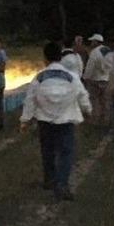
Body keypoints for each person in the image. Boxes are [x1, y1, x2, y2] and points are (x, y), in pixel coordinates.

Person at [20, 42, 92, 202]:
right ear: (60, 57)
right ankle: (62, 184)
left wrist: (25, 120)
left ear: (45, 58)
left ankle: (49, 180)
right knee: (65, 153)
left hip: (45, 121)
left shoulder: (39, 77)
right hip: (66, 121)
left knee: (48, 152)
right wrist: (88, 110)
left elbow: (30, 99)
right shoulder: (71, 76)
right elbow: (82, 94)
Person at [82, 33, 111, 126]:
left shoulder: (94, 52)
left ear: (96, 42)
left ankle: (95, 119)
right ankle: (106, 119)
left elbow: (90, 67)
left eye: (92, 41)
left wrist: (86, 77)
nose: (91, 43)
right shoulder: (109, 50)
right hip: (107, 79)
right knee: (105, 100)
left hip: (95, 79)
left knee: (94, 100)